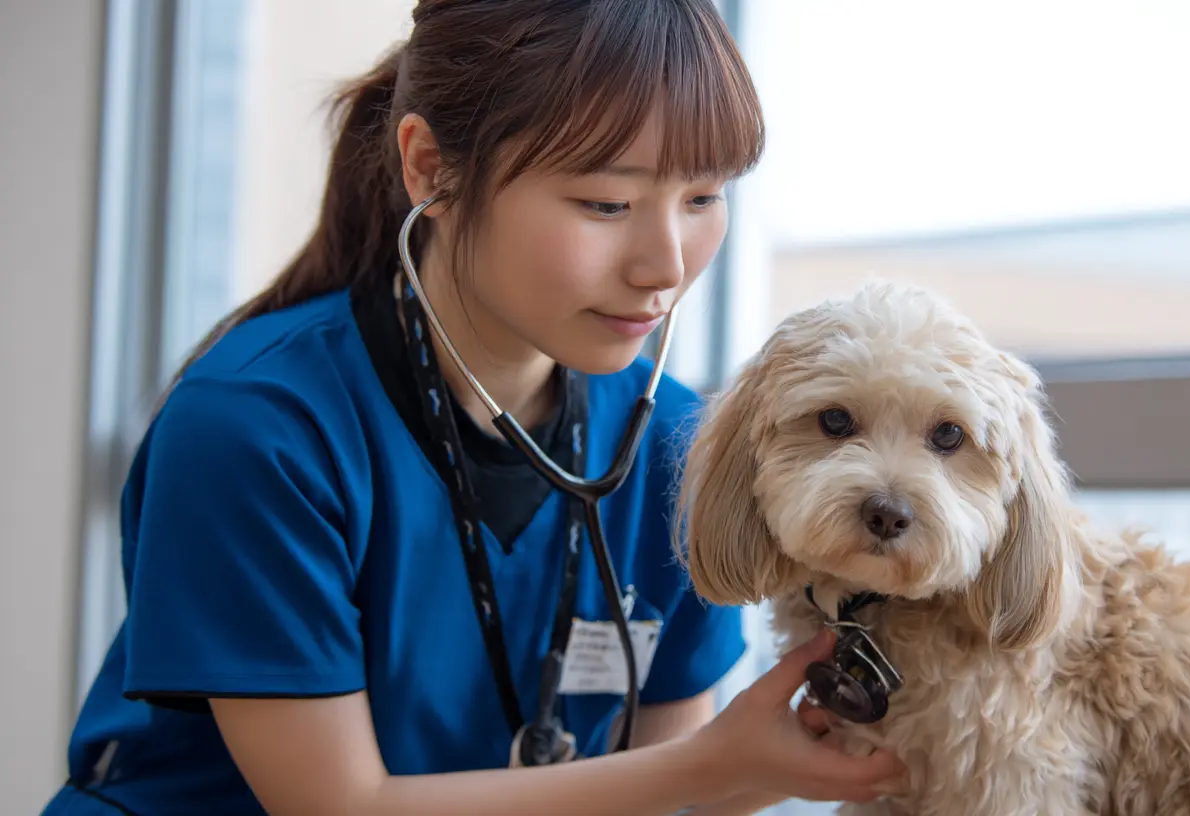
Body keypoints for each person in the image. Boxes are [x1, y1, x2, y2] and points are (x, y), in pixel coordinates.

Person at [40, 1, 905, 814]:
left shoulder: (675, 444)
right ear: (430, 167)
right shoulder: (257, 430)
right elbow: (335, 806)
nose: (666, 266)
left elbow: (662, 790)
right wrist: (713, 767)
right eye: (606, 203)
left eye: (704, 197)